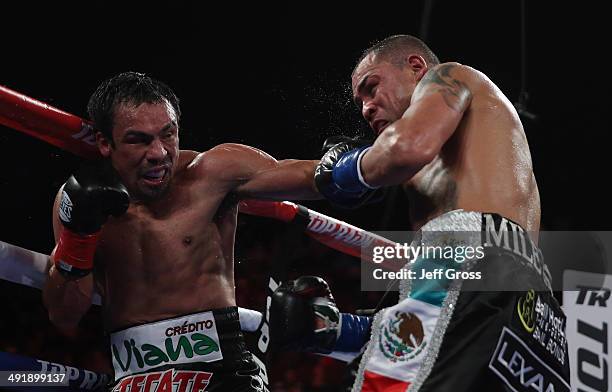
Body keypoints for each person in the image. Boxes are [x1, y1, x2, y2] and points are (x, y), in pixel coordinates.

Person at [272, 35, 571, 391]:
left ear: (416, 67)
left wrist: (347, 169)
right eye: (360, 101)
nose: (366, 108)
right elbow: (459, 319)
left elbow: (407, 148)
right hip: (537, 315)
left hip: (469, 255)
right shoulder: (468, 156)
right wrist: (338, 331)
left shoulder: (449, 76)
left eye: (372, 87)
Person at [42, 72, 320, 391]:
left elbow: (309, 176)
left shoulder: (212, 173)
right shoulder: (76, 200)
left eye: (168, 135)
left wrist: (360, 164)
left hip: (222, 370)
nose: (159, 153)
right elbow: (64, 316)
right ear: (105, 143)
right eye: (139, 140)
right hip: (134, 378)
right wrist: (79, 237)